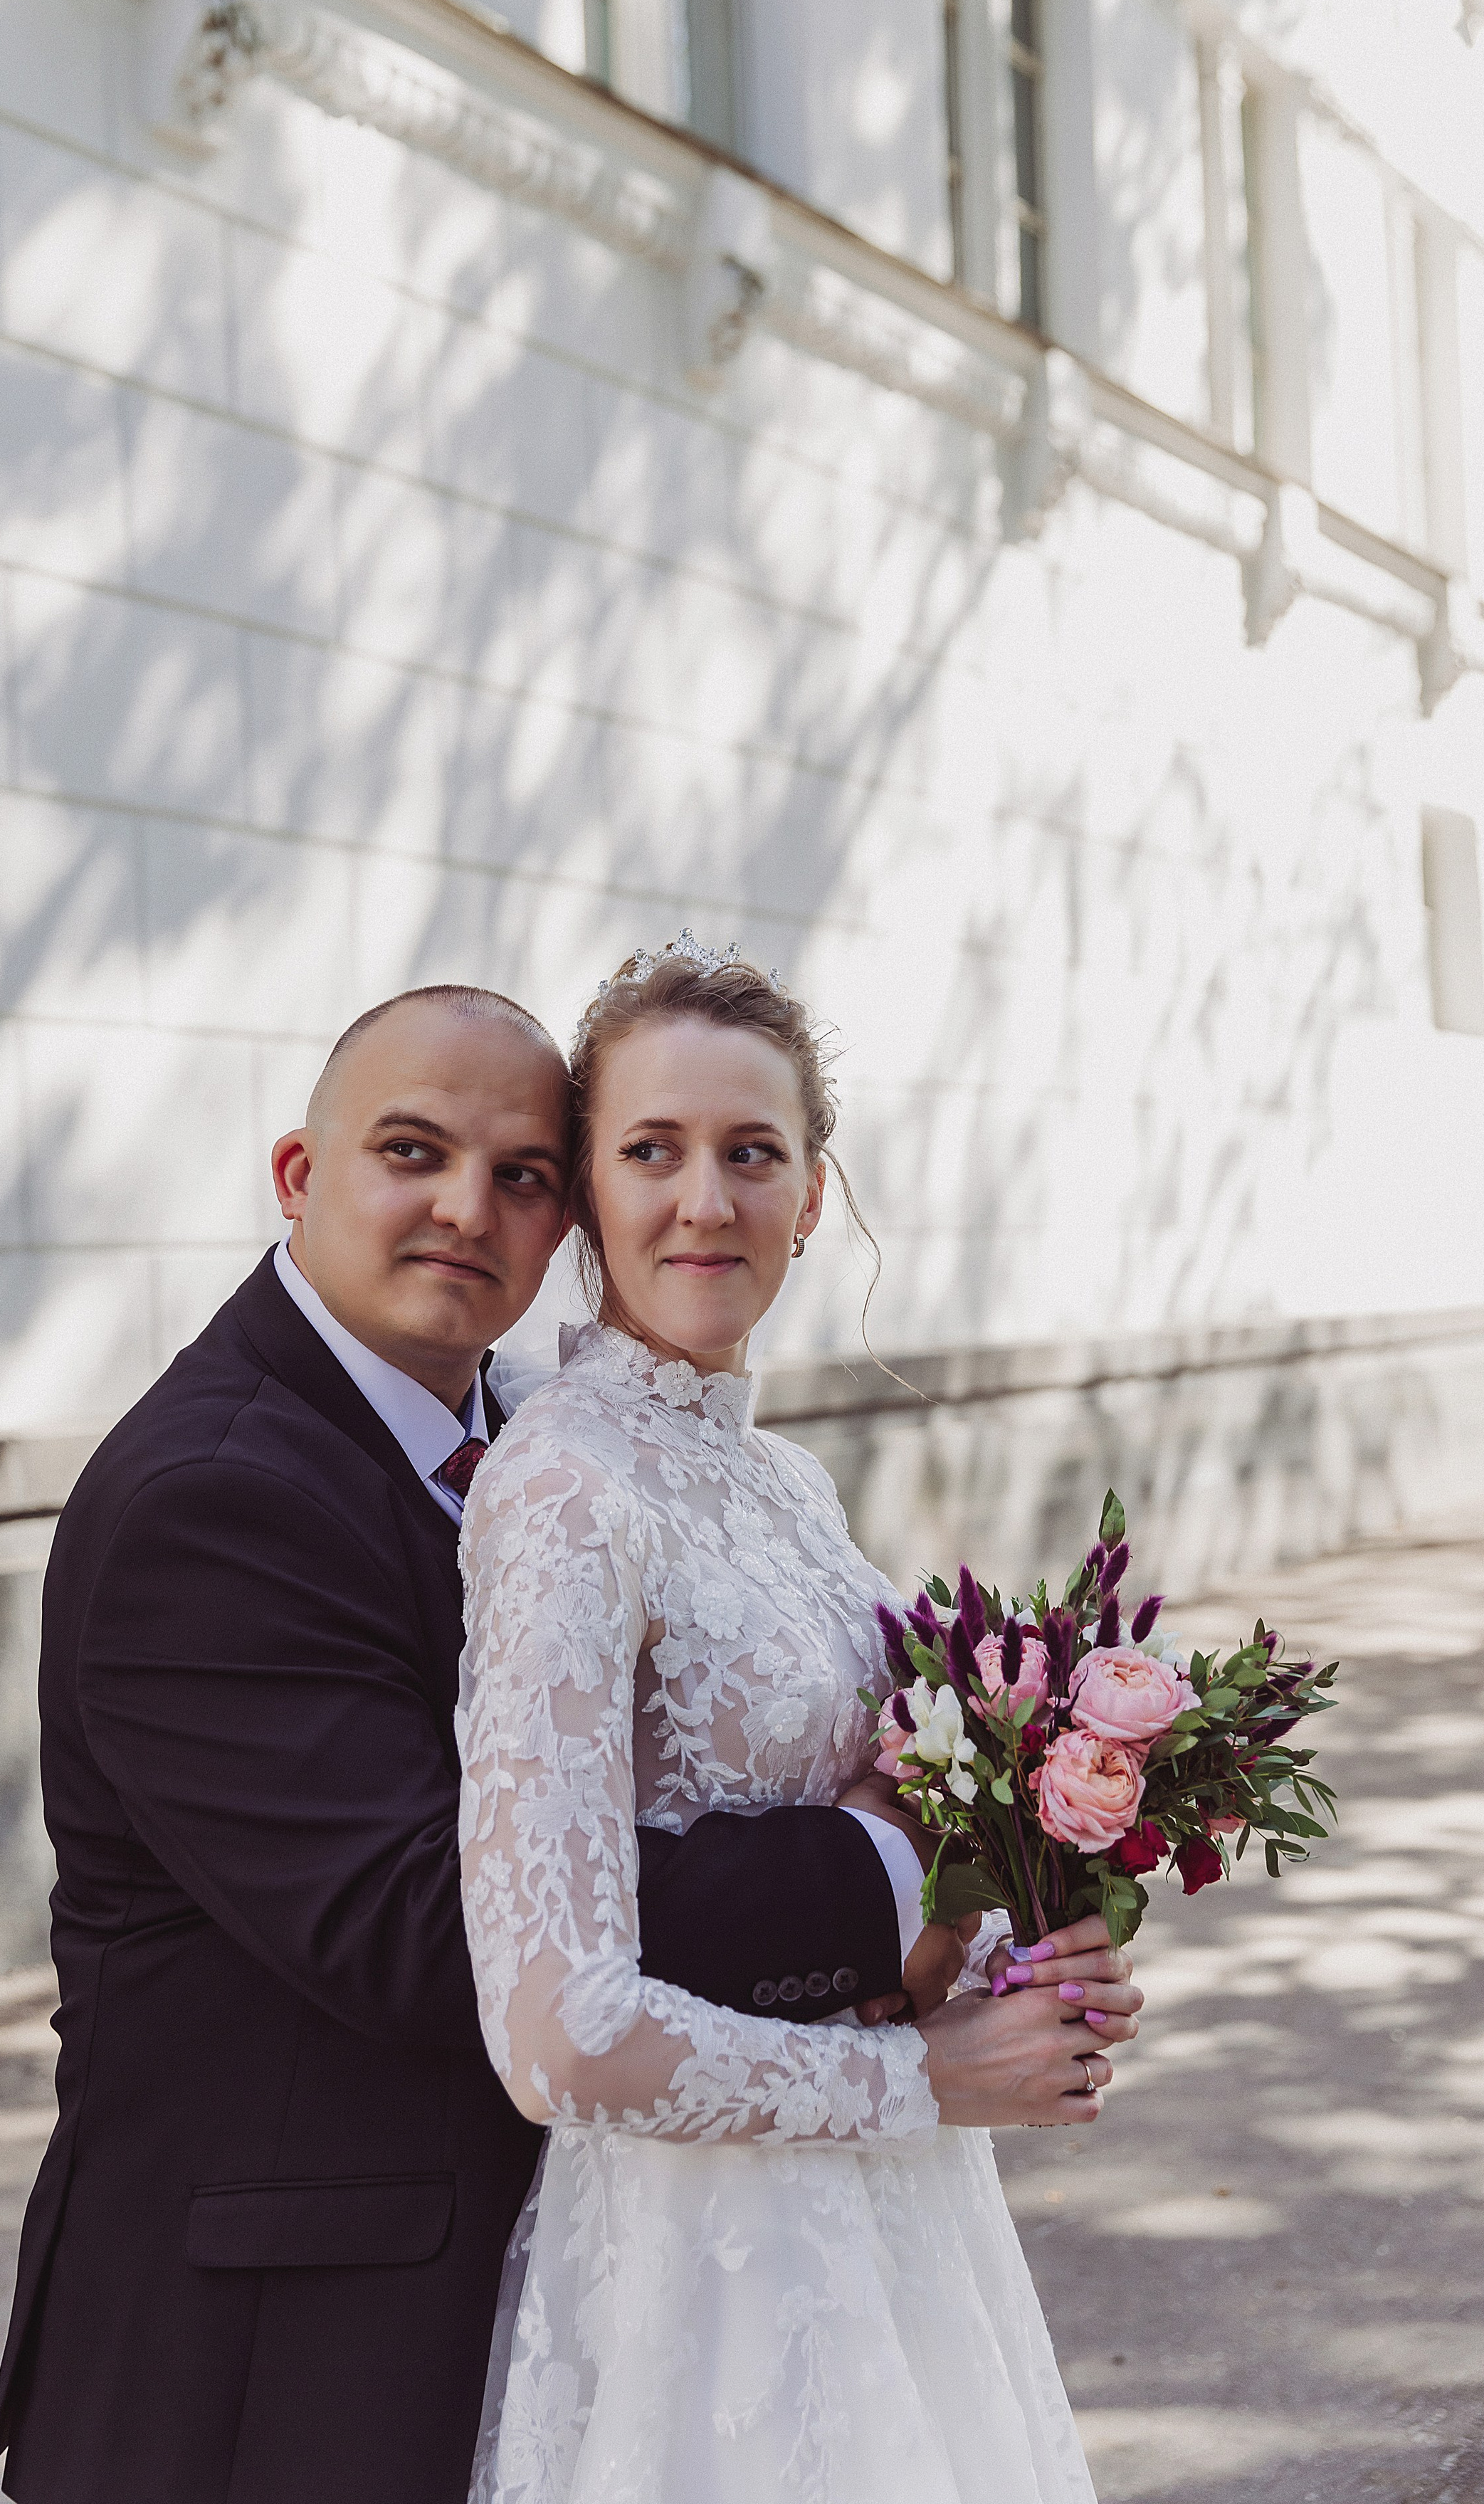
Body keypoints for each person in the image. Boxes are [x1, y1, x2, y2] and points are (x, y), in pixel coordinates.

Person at [0, 983, 1132, 2504]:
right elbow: (429, 1933)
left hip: (631, 2236)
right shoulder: (210, 1495)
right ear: (297, 1176)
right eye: (409, 1151)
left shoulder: (557, 1427)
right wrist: (901, 1874)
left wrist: (1014, 1915)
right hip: (273, 2346)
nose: (467, 1208)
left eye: (520, 1171)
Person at [458, 940, 1135, 2503]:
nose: (705, 1200)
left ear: (813, 1195)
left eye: (750, 1153)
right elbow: (552, 2032)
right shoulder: (560, 1487)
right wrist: (923, 2080)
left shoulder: (789, 1485)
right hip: (711, 2259)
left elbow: (876, 1831)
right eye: (651, 1151)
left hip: (904, 2213)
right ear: (583, 1195)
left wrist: (1025, 1957)